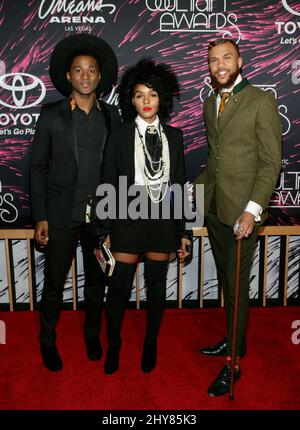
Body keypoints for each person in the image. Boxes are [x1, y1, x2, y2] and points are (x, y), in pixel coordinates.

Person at [195, 38, 282, 397]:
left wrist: (252, 210)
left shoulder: (261, 101)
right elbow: (216, 162)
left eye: (226, 57)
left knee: (237, 287)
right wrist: (190, 195)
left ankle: (233, 362)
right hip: (216, 208)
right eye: (214, 60)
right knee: (227, 283)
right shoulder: (209, 103)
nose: (220, 65)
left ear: (240, 60)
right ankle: (234, 340)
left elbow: (270, 163)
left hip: (242, 215)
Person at [30, 34, 120, 371]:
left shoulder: (112, 117)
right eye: (78, 70)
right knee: (54, 282)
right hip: (60, 216)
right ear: (68, 76)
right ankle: (47, 340)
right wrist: (40, 217)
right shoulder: (51, 114)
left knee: (97, 283)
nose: (85, 75)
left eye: (91, 70)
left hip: (99, 216)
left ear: (100, 76)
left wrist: (115, 219)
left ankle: (92, 334)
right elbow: (38, 167)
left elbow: (118, 170)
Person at [97, 58, 191, 375]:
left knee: (156, 288)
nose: (146, 101)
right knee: (119, 289)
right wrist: (105, 226)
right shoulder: (119, 134)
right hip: (128, 213)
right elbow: (107, 180)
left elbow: (178, 184)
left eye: (152, 94)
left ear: (161, 98)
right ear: (130, 100)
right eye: (139, 95)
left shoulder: (175, 136)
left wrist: (184, 232)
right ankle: (114, 346)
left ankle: (150, 344)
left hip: (163, 214)